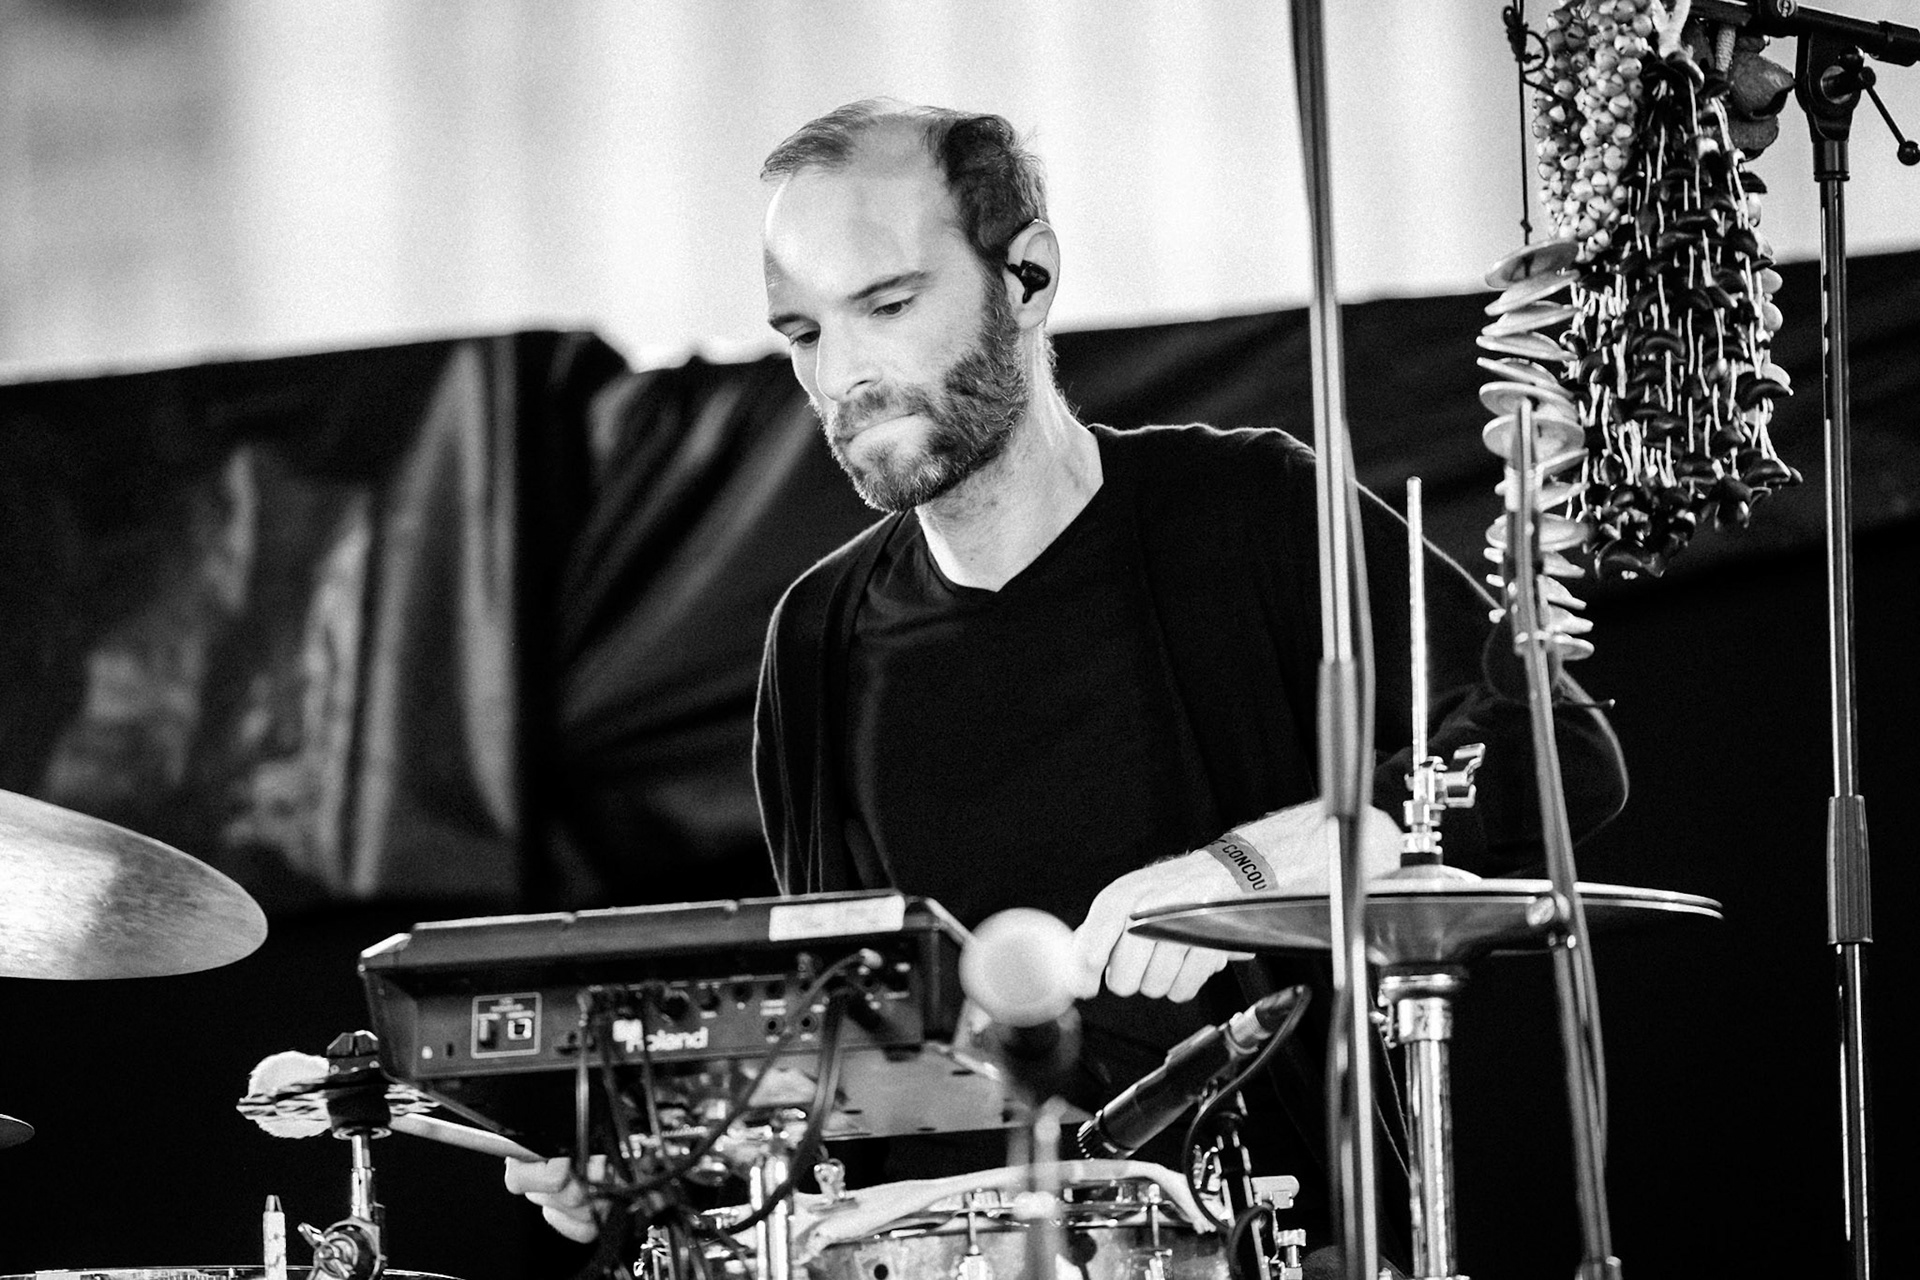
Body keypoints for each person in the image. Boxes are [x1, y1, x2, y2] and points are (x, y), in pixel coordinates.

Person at [510, 98, 1628, 1257]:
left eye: (886, 306)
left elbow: (1558, 745)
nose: (842, 374)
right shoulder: (817, 636)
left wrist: (1249, 866)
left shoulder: (1246, 511)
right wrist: (677, 1171)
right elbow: (837, 1048)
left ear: (1028, 277)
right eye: (800, 333)